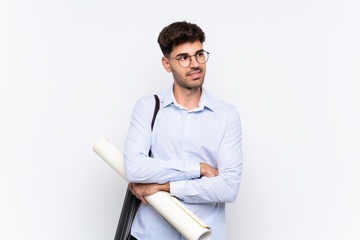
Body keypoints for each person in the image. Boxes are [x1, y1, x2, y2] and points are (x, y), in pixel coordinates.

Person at [124, 21, 243, 240]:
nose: (195, 64)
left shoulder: (226, 114)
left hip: (205, 235)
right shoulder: (148, 107)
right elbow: (134, 168)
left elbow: (228, 187)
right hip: (151, 235)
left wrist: (165, 186)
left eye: (199, 54)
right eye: (183, 57)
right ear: (166, 64)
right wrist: (198, 169)